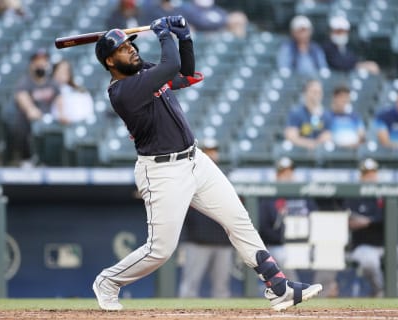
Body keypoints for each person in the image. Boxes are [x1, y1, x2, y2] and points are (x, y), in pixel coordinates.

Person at [91, 15, 322, 312]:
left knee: (238, 219)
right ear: (110, 62)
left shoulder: (142, 72)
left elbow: (184, 73)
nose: (132, 50)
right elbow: (170, 66)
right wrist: (164, 35)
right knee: (160, 250)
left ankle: (279, 287)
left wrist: (184, 38)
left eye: (131, 45)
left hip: (195, 160)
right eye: (124, 48)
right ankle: (108, 281)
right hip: (162, 171)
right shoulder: (122, 92)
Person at [343, 158, 398, 296]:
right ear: (361, 176)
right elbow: (350, 222)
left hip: (388, 246)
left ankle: (393, 287)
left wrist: (367, 221)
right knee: (370, 262)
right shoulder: (353, 194)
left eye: (372, 174)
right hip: (363, 245)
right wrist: (373, 220)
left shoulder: (384, 193)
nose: (370, 177)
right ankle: (380, 290)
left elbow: (389, 217)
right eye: (366, 174)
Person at [178, 139, 234, 298]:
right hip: (197, 241)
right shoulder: (188, 175)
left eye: (214, 150)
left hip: (223, 241)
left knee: (221, 290)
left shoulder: (228, 176)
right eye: (207, 151)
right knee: (189, 287)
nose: (212, 154)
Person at [258, 157, 317, 281]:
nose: (287, 176)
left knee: (326, 257)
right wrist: (283, 238)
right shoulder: (268, 196)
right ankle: (297, 290)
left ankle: (321, 293)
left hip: (306, 244)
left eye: (289, 173)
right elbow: (264, 228)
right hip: (279, 245)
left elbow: (315, 220)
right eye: (283, 173)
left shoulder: (303, 193)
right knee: (283, 256)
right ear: (277, 175)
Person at [2, 48, 64, 166]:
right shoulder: (25, 82)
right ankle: (28, 158)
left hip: (50, 121)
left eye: (44, 61)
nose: (41, 64)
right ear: (32, 64)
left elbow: (60, 103)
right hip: (31, 122)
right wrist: (35, 112)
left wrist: (59, 115)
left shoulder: (53, 83)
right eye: (37, 61)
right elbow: (25, 102)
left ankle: (53, 161)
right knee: (22, 122)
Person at [284, 79, 332, 149]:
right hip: (299, 153)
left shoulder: (326, 115)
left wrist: (315, 143)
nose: (317, 95)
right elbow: (291, 136)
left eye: (319, 92)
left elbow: (328, 135)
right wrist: (311, 143)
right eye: (314, 92)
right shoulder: (296, 113)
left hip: (320, 155)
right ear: (305, 93)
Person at [51, 59, 95, 124]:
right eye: (59, 71)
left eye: (65, 71)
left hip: (76, 124)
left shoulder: (79, 91)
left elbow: (88, 112)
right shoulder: (47, 89)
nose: (61, 74)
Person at [180, 0, 248, 38]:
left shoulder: (218, 11)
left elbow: (227, 20)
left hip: (218, 37)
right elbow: (199, 23)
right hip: (196, 40)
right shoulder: (186, 8)